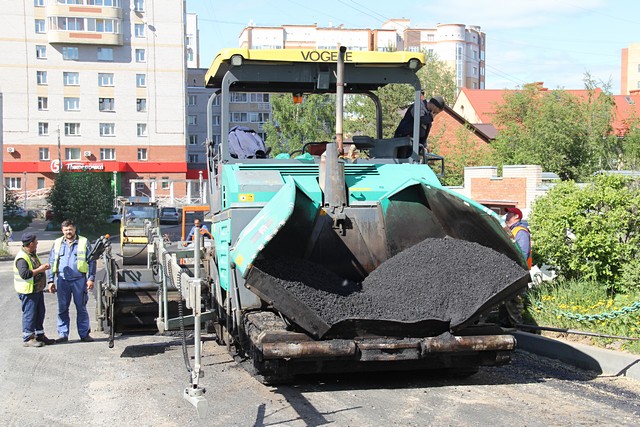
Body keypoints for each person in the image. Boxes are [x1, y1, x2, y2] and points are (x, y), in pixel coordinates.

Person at [47, 219, 97, 343]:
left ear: (74, 229)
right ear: (62, 230)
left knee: (81, 308)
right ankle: (63, 334)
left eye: (70, 229)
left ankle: (84, 334)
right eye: (66, 230)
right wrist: (50, 280)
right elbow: (52, 262)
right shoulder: (58, 243)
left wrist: (91, 278)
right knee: (62, 308)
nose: (68, 232)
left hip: (79, 280)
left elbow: (92, 261)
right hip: (62, 281)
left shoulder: (83, 242)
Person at [14, 232, 54, 347]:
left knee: (40, 312)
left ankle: (39, 335)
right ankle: (28, 338)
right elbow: (25, 274)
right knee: (30, 314)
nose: (37, 243)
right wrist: (41, 269)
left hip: (36, 289)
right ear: (31, 243)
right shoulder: (22, 258)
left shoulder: (31, 253)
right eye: (36, 241)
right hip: (28, 291)